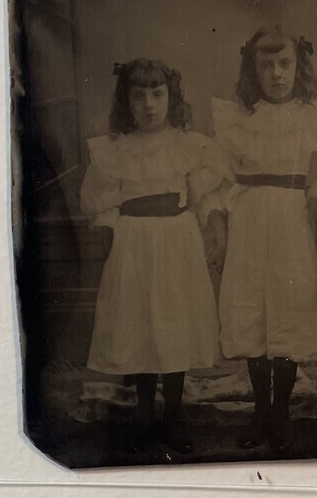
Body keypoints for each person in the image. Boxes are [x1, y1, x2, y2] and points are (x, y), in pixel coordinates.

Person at [200, 26, 317, 455]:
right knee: (250, 312)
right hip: (246, 222)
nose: (276, 74)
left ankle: (280, 412)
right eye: (266, 66)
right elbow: (209, 178)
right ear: (253, 70)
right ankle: (260, 409)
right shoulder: (239, 121)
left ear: (298, 67)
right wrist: (217, 222)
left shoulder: (312, 115)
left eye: (284, 65)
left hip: (291, 222)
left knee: (287, 308)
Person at [80, 58, 222, 454]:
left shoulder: (188, 145)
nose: (148, 104)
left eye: (157, 94)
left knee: (174, 323)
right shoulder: (115, 151)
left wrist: (211, 224)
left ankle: (172, 418)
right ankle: (145, 415)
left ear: (170, 98)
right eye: (138, 95)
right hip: (134, 242)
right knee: (140, 322)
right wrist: (109, 224)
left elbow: (203, 196)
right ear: (126, 102)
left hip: (177, 240)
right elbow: (96, 201)